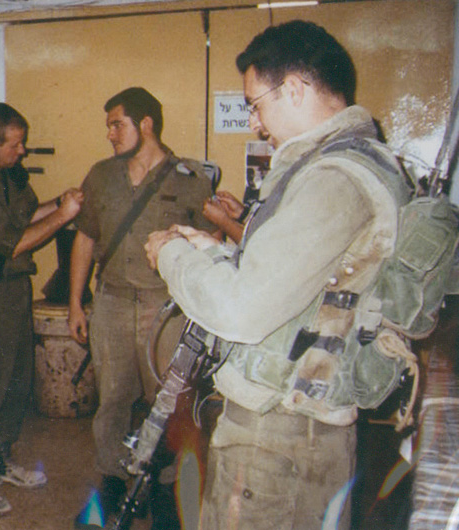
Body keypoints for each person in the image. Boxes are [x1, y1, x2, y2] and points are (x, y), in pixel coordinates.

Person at [145, 20, 407, 529]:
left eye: (255, 104)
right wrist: (211, 250)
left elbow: (241, 311)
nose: (254, 123)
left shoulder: (334, 179)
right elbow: (308, 286)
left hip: (278, 437)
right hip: (295, 427)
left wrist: (171, 255)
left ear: (294, 89)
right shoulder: (350, 162)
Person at [67, 87, 216, 529]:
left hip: (165, 309)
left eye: (117, 124)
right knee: (111, 398)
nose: (110, 134)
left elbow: (210, 246)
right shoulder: (101, 175)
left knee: (167, 403)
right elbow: (85, 239)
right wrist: (76, 302)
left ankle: (165, 489)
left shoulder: (190, 178)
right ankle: (113, 480)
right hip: (112, 301)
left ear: (145, 124)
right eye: (109, 126)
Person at [0, 102, 83, 515]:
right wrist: (63, 217)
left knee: (16, 380)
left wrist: (59, 203)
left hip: (12, 290)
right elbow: (14, 243)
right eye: (16, 144)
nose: (22, 151)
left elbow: (24, 219)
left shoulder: (5, 176)